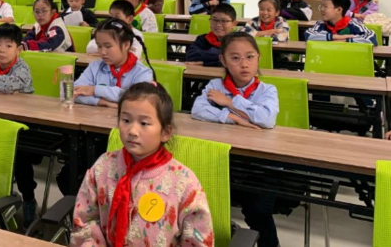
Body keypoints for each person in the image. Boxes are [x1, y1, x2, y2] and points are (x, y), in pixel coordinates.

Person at [71, 82, 214, 246]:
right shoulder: (103, 167)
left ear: (165, 132)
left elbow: (198, 241)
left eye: (144, 123)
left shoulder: (184, 182)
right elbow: (85, 222)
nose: (132, 131)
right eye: (126, 120)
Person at [191, 32, 280, 247]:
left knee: (258, 210)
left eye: (250, 57)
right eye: (235, 58)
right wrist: (232, 117)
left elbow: (266, 119)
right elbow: (198, 110)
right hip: (223, 161)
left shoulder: (267, 90)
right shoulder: (215, 85)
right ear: (223, 60)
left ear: (258, 58)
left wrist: (230, 102)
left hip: (259, 165)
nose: (244, 64)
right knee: (201, 199)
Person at [75, 19, 154, 108]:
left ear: (126, 45)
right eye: (99, 46)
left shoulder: (142, 72)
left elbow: (136, 98)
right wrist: (102, 102)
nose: (102, 52)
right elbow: (73, 92)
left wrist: (95, 90)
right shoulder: (95, 67)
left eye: (108, 46)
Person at [305, 0, 377, 45]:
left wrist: (346, 40)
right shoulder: (321, 23)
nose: (322, 9)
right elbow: (308, 35)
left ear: (339, 10)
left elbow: (371, 38)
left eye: (325, 7)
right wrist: (335, 37)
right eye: (321, 6)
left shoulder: (353, 24)